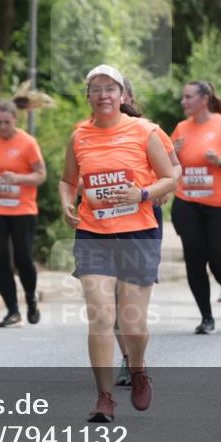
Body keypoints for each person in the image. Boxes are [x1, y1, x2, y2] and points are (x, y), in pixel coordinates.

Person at [60, 64, 176, 422]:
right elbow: (68, 180)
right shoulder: (79, 136)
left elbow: (171, 176)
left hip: (137, 234)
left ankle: (137, 366)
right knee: (100, 316)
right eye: (96, 88)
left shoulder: (145, 131)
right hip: (94, 233)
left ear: (123, 96)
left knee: (133, 324)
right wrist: (66, 202)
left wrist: (141, 192)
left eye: (111, 88)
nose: (104, 94)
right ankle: (104, 397)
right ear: (89, 97)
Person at [113, 76, 181, 388]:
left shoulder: (148, 130)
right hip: (102, 224)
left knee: (132, 301)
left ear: (128, 95)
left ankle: (135, 360)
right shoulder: (90, 132)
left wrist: (157, 188)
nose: (110, 98)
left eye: (117, 91)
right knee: (111, 300)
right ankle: (128, 361)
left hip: (142, 220)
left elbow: (174, 167)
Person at [170, 81, 221, 334]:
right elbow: (165, 165)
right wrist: (171, 151)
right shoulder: (181, 129)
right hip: (188, 203)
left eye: (188, 97)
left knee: (220, 260)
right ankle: (206, 316)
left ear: (204, 99)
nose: (183, 101)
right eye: (183, 97)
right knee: (194, 261)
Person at [0, 101, 47, 327]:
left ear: (16, 120)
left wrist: (18, 179)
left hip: (22, 209)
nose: (3, 127)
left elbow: (41, 175)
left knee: (23, 259)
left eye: (7, 122)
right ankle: (12, 310)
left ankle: (30, 297)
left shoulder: (28, 143)